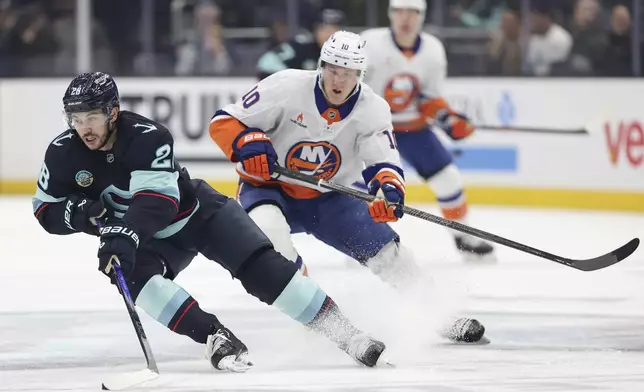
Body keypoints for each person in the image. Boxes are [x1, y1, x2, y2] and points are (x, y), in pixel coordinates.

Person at [31, 71, 388, 371]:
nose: (84, 128)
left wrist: (122, 233)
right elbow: (44, 210)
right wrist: (80, 215)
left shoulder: (147, 137)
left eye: (92, 117)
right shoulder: (62, 152)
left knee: (265, 272)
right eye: (76, 119)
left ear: (113, 111)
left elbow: (157, 202)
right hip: (152, 240)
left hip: (200, 215)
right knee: (131, 277)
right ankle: (214, 336)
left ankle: (347, 333)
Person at [209, 31, 487, 344]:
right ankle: (316, 315)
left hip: (330, 197)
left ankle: (438, 315)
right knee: (273, 241)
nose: (338, 81)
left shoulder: (372, 109)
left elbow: (383, 164)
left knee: (389, 254)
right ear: (321, 66)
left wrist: (388, 192)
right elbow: (223, 121)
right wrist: (246, 141)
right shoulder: (285, 85)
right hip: (268, 188)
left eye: (348, 73)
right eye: (332, 70)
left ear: (360, 74)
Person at [360, 0, 496, 261]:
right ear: (390, 14)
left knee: (449, 179)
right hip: (373, 129)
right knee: (360, 188)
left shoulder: (432, 50)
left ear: (421, 16)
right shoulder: (370, 44)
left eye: (412, 12)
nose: (405, 18)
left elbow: (429, 97)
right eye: (399, 11)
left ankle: (462, 235)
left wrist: (447, 118)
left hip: (413, 129)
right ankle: (363, 237)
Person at [256, 8, 345, 80]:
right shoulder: (301, 48)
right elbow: (265, 63)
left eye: (334, 29)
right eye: (324, 29)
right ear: (315, 30)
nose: (329, 34)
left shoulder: (347, 54)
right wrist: (291, 80)